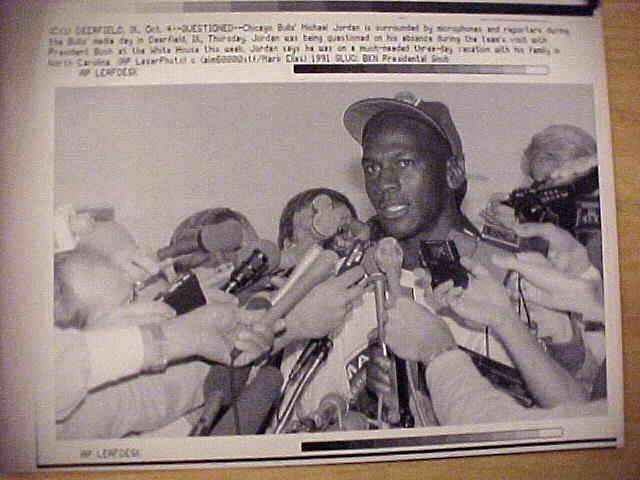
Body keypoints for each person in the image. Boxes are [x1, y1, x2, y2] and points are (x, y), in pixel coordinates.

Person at [55, 224, 277, 439]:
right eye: (128, 302)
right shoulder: (85, 410)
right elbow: (149, 396)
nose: (147, 305)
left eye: (135, 293)